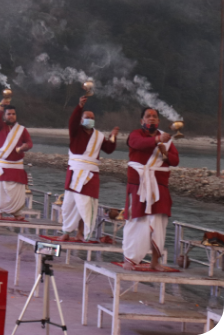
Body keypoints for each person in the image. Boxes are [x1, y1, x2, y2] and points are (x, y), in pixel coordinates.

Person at [122, 107, 179, 270]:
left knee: (159, 223)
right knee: (136, 220)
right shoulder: (135, 134)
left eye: (154, 116)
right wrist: (157, 140)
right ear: (142, 121)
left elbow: (175, 161)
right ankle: (130, 259)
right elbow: (137, 144)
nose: (151, 119)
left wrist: (164, 154)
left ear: (159, 121)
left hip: (160, 185)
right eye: (148, 116)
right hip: (138, 185)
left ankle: (155, 262)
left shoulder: (167, 140)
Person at [58, 96, 118, 242]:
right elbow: (72, 121)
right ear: (81, 119)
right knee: (68, 205)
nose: (89, 119)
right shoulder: (75, 131)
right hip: (74, 172)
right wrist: (79, 106)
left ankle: (82, 234)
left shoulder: (99, 136)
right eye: (87, 117)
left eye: (92, 118)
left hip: (90, 175)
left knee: (85, 206)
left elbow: (109, 149)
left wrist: (113, 136)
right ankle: (66, 232)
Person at [0, 99, 33, 221]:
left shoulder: (22, 129)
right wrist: (0, 106)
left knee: (18, 191)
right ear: (5, 115)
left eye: (13, 114)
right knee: (0, 190)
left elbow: (29, 142)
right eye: (9, 114)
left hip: (17, 166)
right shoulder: (0, 127)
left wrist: (26, 146)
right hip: (3, 166)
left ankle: (17, 212)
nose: (11, 116)